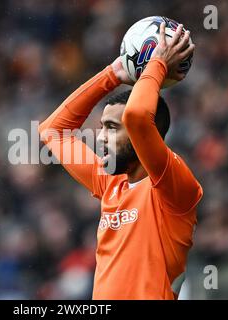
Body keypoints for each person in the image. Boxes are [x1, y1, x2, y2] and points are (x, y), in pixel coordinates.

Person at [39, 22, 202, 299]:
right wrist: (112, 74)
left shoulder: (173, 187)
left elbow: (137, 117)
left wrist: (158, 64)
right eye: (102, 126)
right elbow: (53, 131)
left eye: (112, 128)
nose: (100, 137)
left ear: (147, 137)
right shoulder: (110, 183)